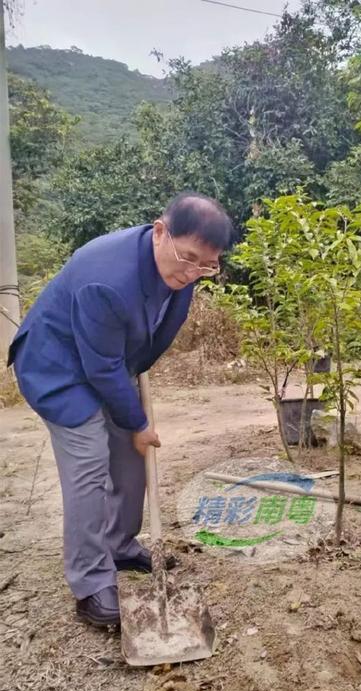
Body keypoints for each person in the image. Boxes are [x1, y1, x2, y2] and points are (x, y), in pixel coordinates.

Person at [7, 192, 234, 626]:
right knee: (91, 461)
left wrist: (135, 413)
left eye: (205, 265)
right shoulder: (106, 277)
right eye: (187, 259)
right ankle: (91, 582)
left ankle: (120, 544)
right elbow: (101, 367)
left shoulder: (185, 269)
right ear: (160, 231)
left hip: (108, 360)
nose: (192, 273)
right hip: (58, 367)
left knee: (132, 453)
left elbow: (149, 336)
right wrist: (137, 419)